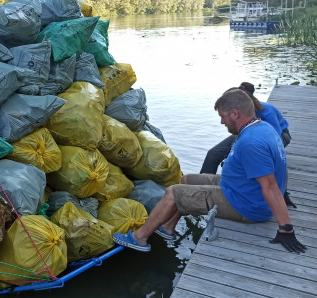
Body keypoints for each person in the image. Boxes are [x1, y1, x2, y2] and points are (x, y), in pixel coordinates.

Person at [113, 88, 306, 254]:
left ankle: (140, 238)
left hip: (246, 205)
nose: (222, 122)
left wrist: (286, 228)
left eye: (223, 116)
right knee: (185, 180)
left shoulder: (251, 142)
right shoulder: (264, 127)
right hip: (239, 189)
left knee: (172, 193)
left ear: (235, 113)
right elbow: (283, 167)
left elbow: (270, 185)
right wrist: (285, 193)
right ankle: (167, 226)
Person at [200, 81, 295, 207]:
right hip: (249, 133)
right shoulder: (242, 120)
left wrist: (284, 192)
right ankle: (202, 190)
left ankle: (281, 194)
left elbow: (276, 145)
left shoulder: (267, 112)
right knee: (213, 154)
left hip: (279, 134)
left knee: (268, 159)